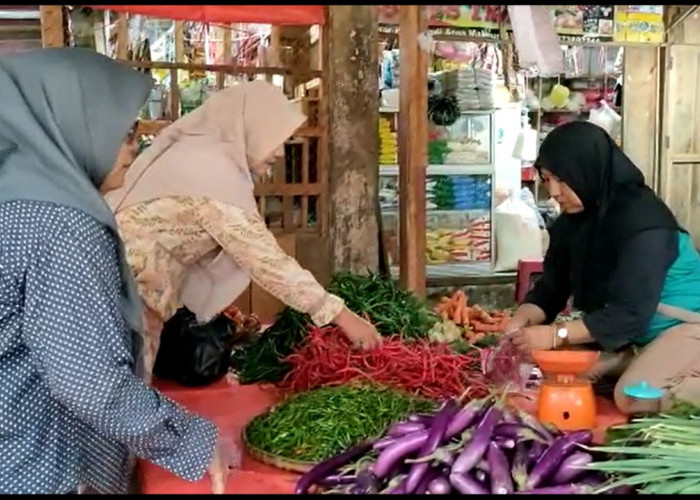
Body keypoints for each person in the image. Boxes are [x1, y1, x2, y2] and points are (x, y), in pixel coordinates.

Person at [0, 48, 227, 494]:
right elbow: (89, 382)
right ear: (72, 126)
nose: (132, 147)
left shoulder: (16, 198)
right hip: (40, 468)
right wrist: (190, 441)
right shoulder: (61, 224)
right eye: (123, 132)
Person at [105, 81, 382, 382]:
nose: (277, 153)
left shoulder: (201, 152)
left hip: (125, 290)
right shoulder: (210, 170)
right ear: (249, 127)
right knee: (117, 398)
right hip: (122, 295)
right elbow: (265, 260)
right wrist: (341, 316)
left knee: (121, 394)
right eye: (274, 139)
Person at [507, 121, 700, 415]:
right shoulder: (575, 223)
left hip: (685, 327)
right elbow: (552, 287)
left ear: (586, 170)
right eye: (547, 180)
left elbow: (630, 312)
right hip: (638, 335)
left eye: (561, 180)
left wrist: (555, 335)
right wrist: (521, 318)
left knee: (633, 397)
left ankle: (649, 368)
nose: (554, 192)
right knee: (560, 374)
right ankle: (634, 359)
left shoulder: (643, 224)